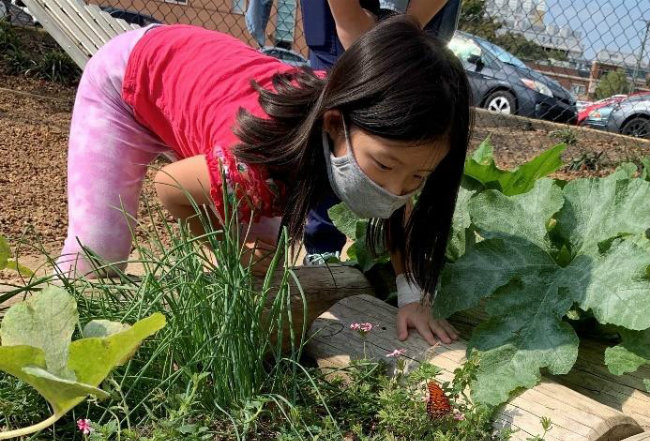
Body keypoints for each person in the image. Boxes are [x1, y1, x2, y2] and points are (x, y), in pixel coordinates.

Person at [56, 16, 471, 345]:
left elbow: (402, 210)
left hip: (202, 88)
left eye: (417, 176)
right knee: (97, 255)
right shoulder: (257, 168)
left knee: (263, 264)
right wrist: (222, 247)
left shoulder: (368, 121)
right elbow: (171, 187)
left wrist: (413, 299)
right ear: (333, 125)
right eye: (383, 166)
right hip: (131, 80)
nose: (395, 190)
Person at [300, 0, 461, 265]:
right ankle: (322, 249)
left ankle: (404, 258)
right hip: (341, 18)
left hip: (422, 18)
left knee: (407, 147)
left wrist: (408, 28)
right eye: (385, 165)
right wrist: (348, 20)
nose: (395, 192)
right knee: (339, 148)